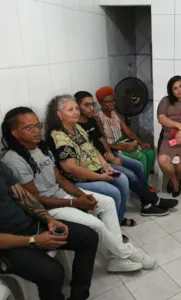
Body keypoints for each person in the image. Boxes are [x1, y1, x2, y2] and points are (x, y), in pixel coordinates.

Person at [1, 106, 156, 272]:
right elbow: (36, 200)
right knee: (95, 224)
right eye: (29, 127)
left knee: (107, 202)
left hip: (62, 195)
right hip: (48, 208)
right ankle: (126, 252)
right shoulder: (14, 160)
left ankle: (114, 258)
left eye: (38, 125)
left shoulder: (40, 147)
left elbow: (60, 179)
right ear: (14, 133)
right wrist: (75, 203)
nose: (37, 130)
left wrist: (83, 197)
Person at [0, 161, 98, 300]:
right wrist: (33, 241)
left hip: (29, 224)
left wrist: (48, 219)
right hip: (7, 244)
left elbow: (23, 196)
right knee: (52, 273)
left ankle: (79, 296)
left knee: (88, 237)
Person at [74, 91, 178, 216]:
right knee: (131, 174)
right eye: (87, 105)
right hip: (100, 161)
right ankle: (153, 200)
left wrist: (109, 152)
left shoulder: (90, 120)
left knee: (138, 165)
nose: (91, 108)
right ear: (77, 106)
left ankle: (147, 202)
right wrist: (109, 159)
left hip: (108, 155)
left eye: (92, 104)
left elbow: (101, 139)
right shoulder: (81, 125)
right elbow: (90, 149)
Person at [44, 95, 133, 226]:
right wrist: (100, 177)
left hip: (98, 170)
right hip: (80, 179)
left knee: (123, 179)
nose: (76, 112)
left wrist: (106, 165)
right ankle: (109, 225)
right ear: (59, 114)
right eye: (70, 110)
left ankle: (118, 219)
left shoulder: (77, 127)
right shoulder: (57, 136)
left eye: (76, 108)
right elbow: (71, 168)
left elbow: (92, 148)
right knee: (113, 192)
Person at [95, 86, 156, 187]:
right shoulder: (98, 118)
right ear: (101, 103)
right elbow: (103, 142)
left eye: (113, 101)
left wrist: (142, 143)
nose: (112, 104)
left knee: (150, 153)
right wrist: (122, 147)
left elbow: (129, 133)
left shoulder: (115, 113)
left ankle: (143, 182)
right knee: (143, 157)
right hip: (113, 147)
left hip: (124, 142)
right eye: (108, 102)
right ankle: (144, 187)